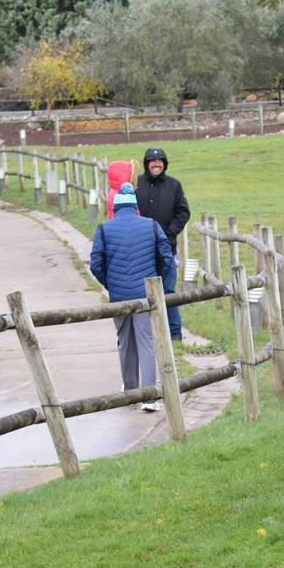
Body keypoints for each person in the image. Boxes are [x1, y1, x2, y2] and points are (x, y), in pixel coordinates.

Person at [90, 183, 174, 412]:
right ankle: (149, 397)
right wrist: (160, 284)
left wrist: (110, 283)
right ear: (135, 207)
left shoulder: (104, 229)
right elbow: (166, 258)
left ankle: (130, 393)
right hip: (145, 295)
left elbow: (96, 264)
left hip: (119, 296)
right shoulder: (151, 226)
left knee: (125, 342)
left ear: (115, 208)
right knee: (146, 342)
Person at [135, 147, 190, 342]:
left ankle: (174, 334)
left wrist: (168, 233)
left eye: (160, 160)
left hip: (166, 248)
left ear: (164, 163)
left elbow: (183, 212)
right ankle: (149, 334)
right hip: (141, 248)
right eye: (152, 160)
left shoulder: (174, 185)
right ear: (146, 164)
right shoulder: (137, 184)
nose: (156, 164)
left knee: (168, 291)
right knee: (142, 291)